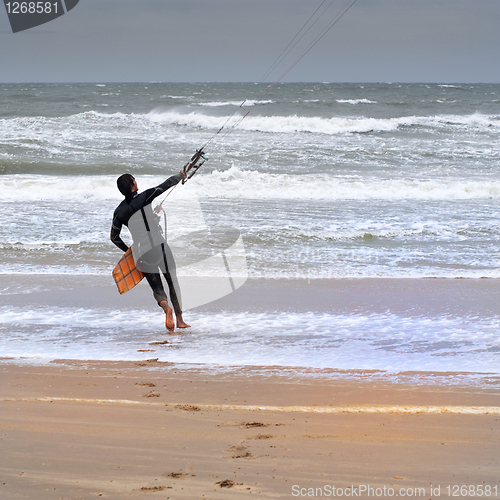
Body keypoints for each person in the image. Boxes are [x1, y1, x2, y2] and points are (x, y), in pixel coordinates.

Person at [110, 171, 190, 332]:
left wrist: (128, 251)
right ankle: (180, 320)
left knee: (157, 288)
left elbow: (114, 237)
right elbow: (166, 185)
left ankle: (166, 308)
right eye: (134, 180)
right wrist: (181, 175)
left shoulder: (119, 212)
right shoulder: (145, 197)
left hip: (141, 253)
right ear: (133, 185)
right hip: (159, 246)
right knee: (172, 282)